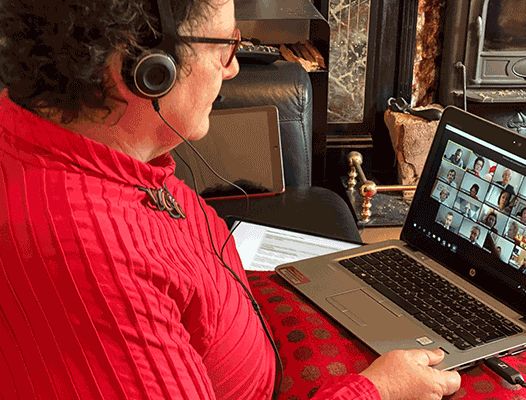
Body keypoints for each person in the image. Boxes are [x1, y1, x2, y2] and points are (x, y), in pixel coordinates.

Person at [0, 0, 461, 399]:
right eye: (224, 46)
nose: (233, 67)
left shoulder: (79, 144)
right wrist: (376, 390)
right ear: (143, 68)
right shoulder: (84, 260)